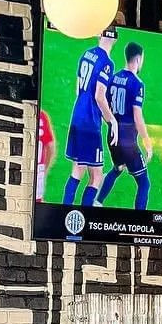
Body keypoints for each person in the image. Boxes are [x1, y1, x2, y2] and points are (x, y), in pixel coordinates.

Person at [62, 29, 118, 207]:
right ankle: (84, 218)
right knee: (96, 176)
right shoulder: (107, 63)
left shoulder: (86, 54)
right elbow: (99, 96)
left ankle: (63, 214)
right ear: (115, 39)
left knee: (77, 171)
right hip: (89, 124)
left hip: (77, 116)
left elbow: (78, 89)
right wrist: (111, 120)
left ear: (98, 35)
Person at [97, 42, 153, 211]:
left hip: (112, 136)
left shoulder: (113, 77)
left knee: (118, 168)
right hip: (128, 141)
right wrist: (147, 142)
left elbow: (103, 105)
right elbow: (137, 116)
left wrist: (111, 124)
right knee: (144, 184)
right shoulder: (137, 84)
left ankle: (97, 202)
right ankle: (139, 223)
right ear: (138, 59)